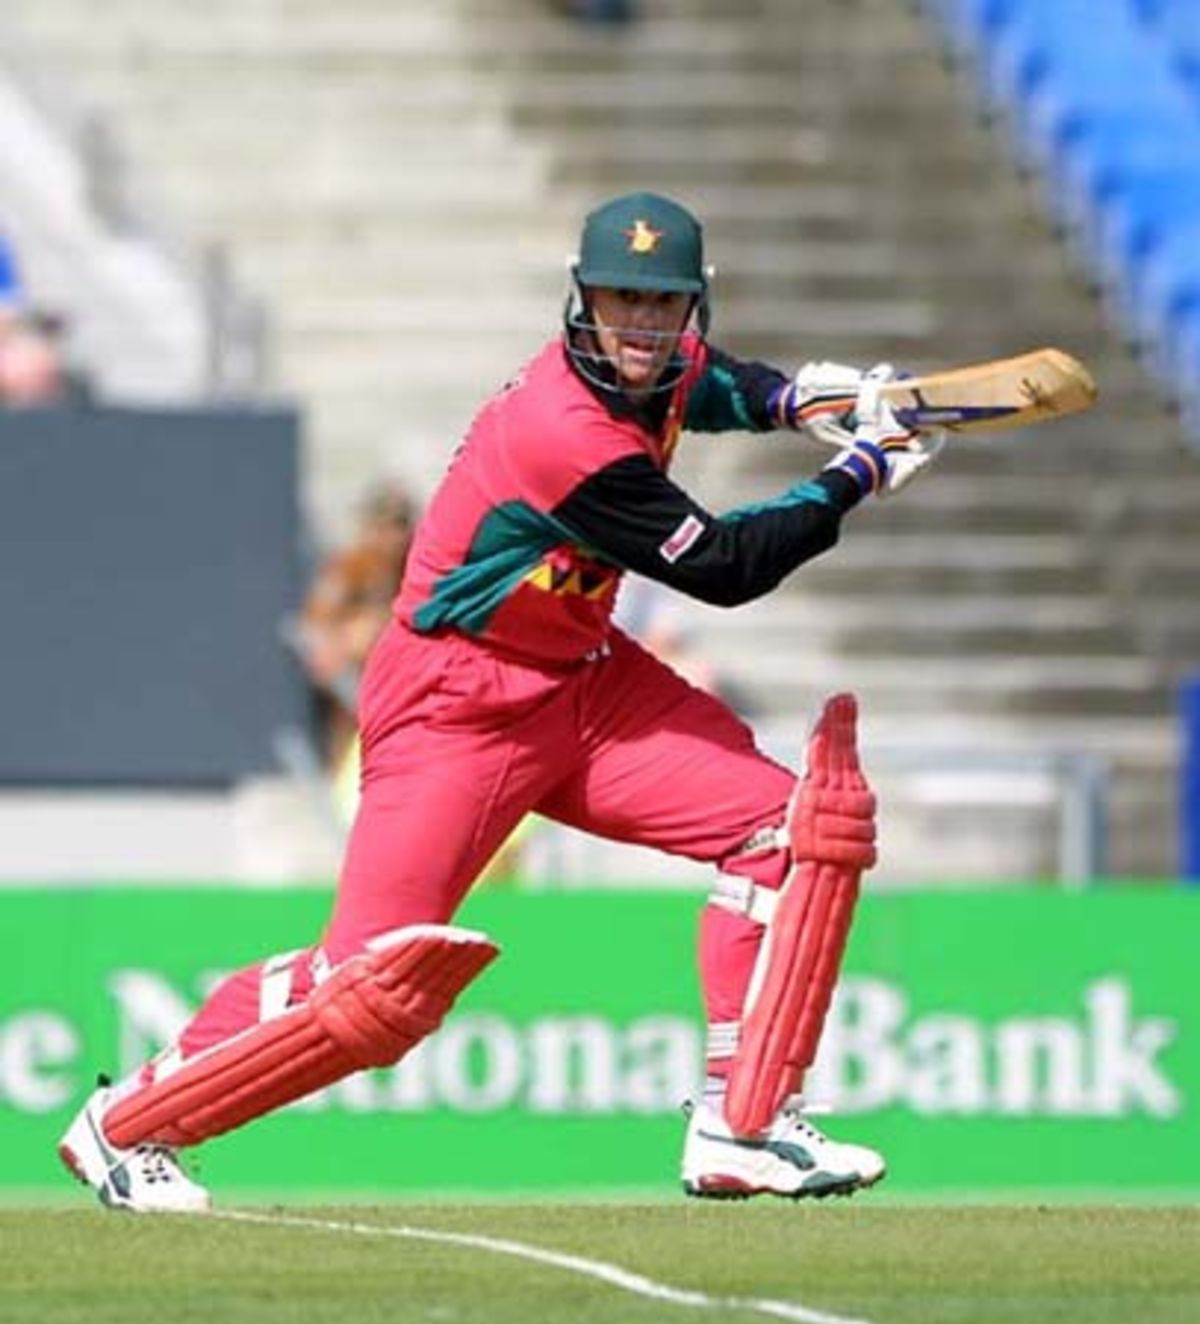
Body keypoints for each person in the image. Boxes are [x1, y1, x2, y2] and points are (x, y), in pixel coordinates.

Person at [57, 191, 941, 1212]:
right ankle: (128, 1126)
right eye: (622, 301)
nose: (643, 327)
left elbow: (718, 385)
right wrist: (860, 469)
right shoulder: (564, 432)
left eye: (664, 305)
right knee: (366, 992)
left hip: (584, 680)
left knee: (795, 830)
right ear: (583, 299)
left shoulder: (664, 365)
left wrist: (803, 400)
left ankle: (741, 1126)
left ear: (691, 305)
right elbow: (730, 567)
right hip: (456, 703)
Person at [293, 479, 417, 814]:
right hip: (358, 697)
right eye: (381, 526)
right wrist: (346, 639)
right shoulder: (351, 566)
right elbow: (314, 625)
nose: (389, 536)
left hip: (408, 692)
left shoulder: (420, 563)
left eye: (397, 525)